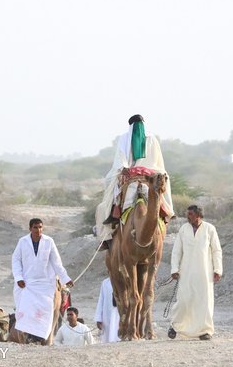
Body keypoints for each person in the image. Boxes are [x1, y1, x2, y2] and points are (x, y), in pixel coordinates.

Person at [95, 114, 175, 247]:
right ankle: (166, 212)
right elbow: (156, 161)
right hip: (142, 172)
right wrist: (126, 168)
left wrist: (125, 168)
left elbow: (121, 159)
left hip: (142, 174)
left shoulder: (134, 138)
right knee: (110, 183)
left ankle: (107, 233)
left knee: (104, 199)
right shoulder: (143, 138)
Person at [12, 218, 74, 343]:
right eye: (35, 227)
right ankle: (27, 335)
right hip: (27, 283)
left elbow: (56, 262)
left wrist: (65, 278)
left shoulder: (49, 241)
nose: (38, 230)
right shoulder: (22, 242)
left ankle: (41, 336)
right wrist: (19, 277)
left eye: (40, 227)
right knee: (26, 308)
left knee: (45, 309)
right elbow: (16, 260)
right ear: (30, 228)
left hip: (45, 283)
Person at [168, 205, 223, 341]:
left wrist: (218, 269)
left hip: (205, 273)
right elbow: (176, 251)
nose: (188, 217)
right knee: (183, 300)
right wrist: (174, 269)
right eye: (188, 214)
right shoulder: (183, 229)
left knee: (204, 302)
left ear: (198, 215)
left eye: (191, 214)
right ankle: (175, 326)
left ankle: (205, 331)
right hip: (186, 272)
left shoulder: (210, 229)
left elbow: (216, 250)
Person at [94, 276, 120, 343]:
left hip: (119, 312)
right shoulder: (105, 282)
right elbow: (101, 299)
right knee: (108, 335)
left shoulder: (123, 279)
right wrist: (98, 318)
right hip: (107, 313)